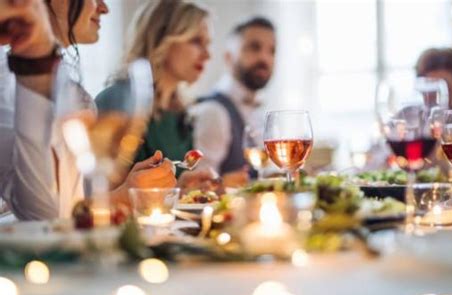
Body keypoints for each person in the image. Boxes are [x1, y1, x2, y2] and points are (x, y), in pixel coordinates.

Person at [0, 0, 176, 220]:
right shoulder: (5, 82)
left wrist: (125, 189)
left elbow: (71, 203)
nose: (104, 8)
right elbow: (46, 215)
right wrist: (124, 196)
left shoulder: (75, 95)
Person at [95, 0, 216, 191]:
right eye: (195, 41)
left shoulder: (180, 113)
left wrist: (182, 187)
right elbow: (99, 195)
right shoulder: (118, 101)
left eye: (207, 44)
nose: (208, 55)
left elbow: (163, 192)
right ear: (162, 38)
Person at [191, 16, 276, 182]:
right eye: (254, 47)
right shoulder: (213, 111)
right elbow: (200, 187)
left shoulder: (258, 110)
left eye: (272, 51)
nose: (264, 58)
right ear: (229, 57)